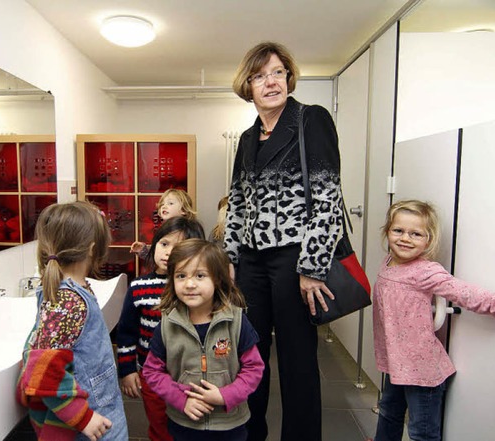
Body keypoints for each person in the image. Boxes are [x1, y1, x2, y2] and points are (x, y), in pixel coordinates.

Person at [223, 41, 342, 440]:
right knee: (251, 355)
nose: (269, 82)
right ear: (248, 86)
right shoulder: (246, 138)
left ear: (289, 78)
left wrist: (311, 267)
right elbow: (238, 200)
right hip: (252, 263)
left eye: (277, 72)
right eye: (259, 76)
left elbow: (328, 198)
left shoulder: (311, 120)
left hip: (295, 258)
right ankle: (249, 433)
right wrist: (230, 256)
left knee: (298, 360)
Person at [372, 200, 495, 441]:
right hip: (396, 363)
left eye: (416, 234)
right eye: (398, 231)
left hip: (422, 370)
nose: (405, 238)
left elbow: (465, 292)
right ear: (387, 231)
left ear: (428, 239)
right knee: (389, 413)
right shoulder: (388, 261)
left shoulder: (426, 271)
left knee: (421, 432)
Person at [16, 201, 128, 441]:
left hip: (100, 406)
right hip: (91, 420)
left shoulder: (70, 290)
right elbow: (43, 370)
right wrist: (82, 416)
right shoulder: (69, 302)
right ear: (92, 249)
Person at [142, 239, 264, 441]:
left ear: (217, 279)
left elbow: (254, 368)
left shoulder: (236, 321)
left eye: (200, 275)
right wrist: (181, 399)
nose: (189, 284)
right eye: (181, 276)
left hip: (230, 425)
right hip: (184, 424)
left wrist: (226, 396)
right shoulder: (167, 324)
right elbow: (152, 371)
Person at [116, 217, 206, 441]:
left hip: (191, 374)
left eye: (178, 247)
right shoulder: (138, 288)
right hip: (151, 373)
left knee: (194, 427)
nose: (168, 253)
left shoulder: (196, 287)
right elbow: (126, 333)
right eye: (164, 244)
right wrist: (127, 371)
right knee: (159, 426)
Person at [131, 188, 197, 258]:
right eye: (162, 204)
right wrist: (143, 250)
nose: (164, 206)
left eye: (170, 203)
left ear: (184, 209)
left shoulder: (188, 230)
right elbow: (158, 256)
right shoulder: (164, 229)